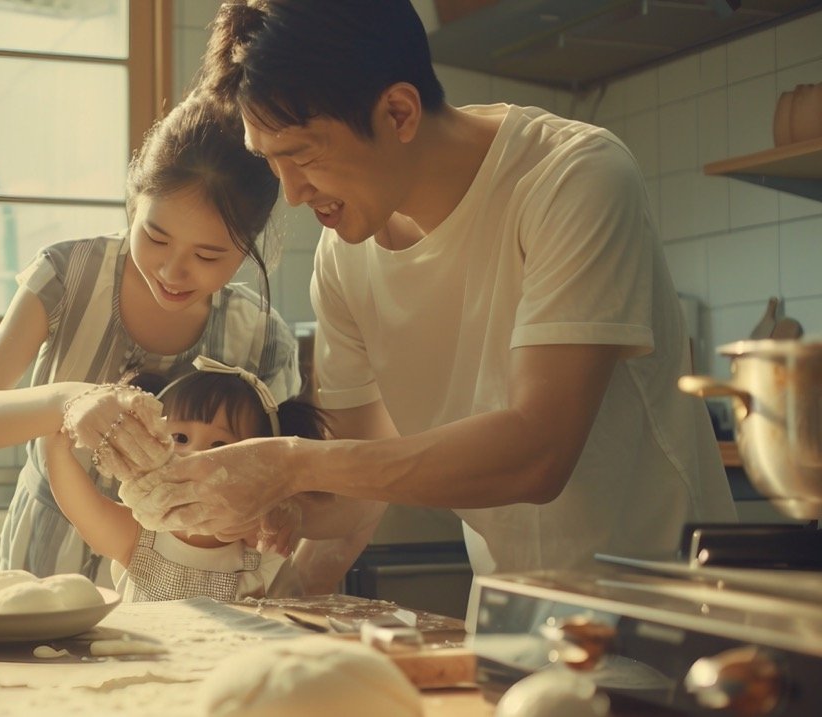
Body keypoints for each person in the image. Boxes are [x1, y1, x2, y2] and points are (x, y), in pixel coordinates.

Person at [82, 0, 737, 612]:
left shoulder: (573, 178)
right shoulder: (344, 258)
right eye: (271, 162)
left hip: (668, 617)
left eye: (303, 156)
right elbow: (355, 486)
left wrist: (285, 465)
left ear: (398, 113)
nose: (292, 192)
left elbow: (539, 451)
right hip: (510, 618)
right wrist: (280, 530)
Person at [0, 94, 302, 583]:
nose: (174, 271)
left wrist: (278, 514)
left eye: (210, 255)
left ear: (248, 248)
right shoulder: (69, 276)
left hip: (184, 589)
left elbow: (280, 484)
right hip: (49, 565)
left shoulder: (260, 336)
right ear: (133, 204)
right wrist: (71, 400)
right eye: (155, 237)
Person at [43, 356, 330, 601]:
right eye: (180, 438)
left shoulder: (261, 553)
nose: (195, 454)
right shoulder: (139, 537)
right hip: (145, 666)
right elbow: (82, 508)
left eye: (220, 446)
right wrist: (57, 447)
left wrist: (274, 517)